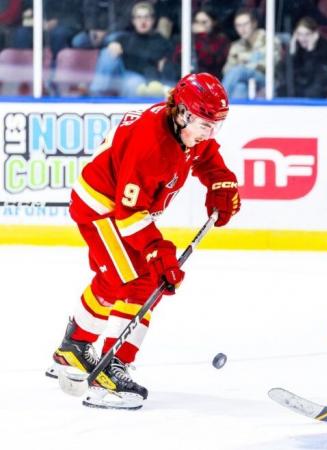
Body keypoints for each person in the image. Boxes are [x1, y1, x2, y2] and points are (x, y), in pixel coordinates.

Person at [45, 73, 241, 409]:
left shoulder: (187, 129)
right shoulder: (151, 144)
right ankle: (112, 366)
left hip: (119, 209)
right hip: (102, 210)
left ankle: (73, 349)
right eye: (206, 124)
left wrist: (221, 183)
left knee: (117, 280)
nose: (210, 133)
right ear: (182, 113)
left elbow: (206, 156)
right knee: (141, 279)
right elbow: (129, 214)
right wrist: (159, 253)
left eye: (216, 125)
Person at [88, 1, 173, 97]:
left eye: (147, 17)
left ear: (153, 20)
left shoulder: (161, 41)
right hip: (120, 74)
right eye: (139, 17)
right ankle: (95, 96)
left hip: (142, 79)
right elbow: (103, 45)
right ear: (133, 21)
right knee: (108, 53)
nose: (143, 21)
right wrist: (111, 45)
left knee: (134, 83)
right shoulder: (125, 37)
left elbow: (162, 67)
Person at [220, 7, 280, 99]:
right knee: (240, 88)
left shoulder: (268, 40)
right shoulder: (236, 45)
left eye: (245, 24)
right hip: (244, 81)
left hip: (266, 80)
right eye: (238, 25)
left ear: (254, 24)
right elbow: (227, 70)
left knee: (239, 70)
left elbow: (269, 65)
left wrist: (244, 66)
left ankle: (216, 102)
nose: (242, 29)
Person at [282, 16, 327, 98]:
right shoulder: (297, 47)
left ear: (315, 34)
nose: (302, 38)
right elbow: (287, 75)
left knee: (312, 91)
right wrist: (291, 53)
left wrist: (311, 50)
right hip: (302, 87)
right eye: (299, 34)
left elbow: (317, 75)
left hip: (324, 87)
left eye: (307, 34)